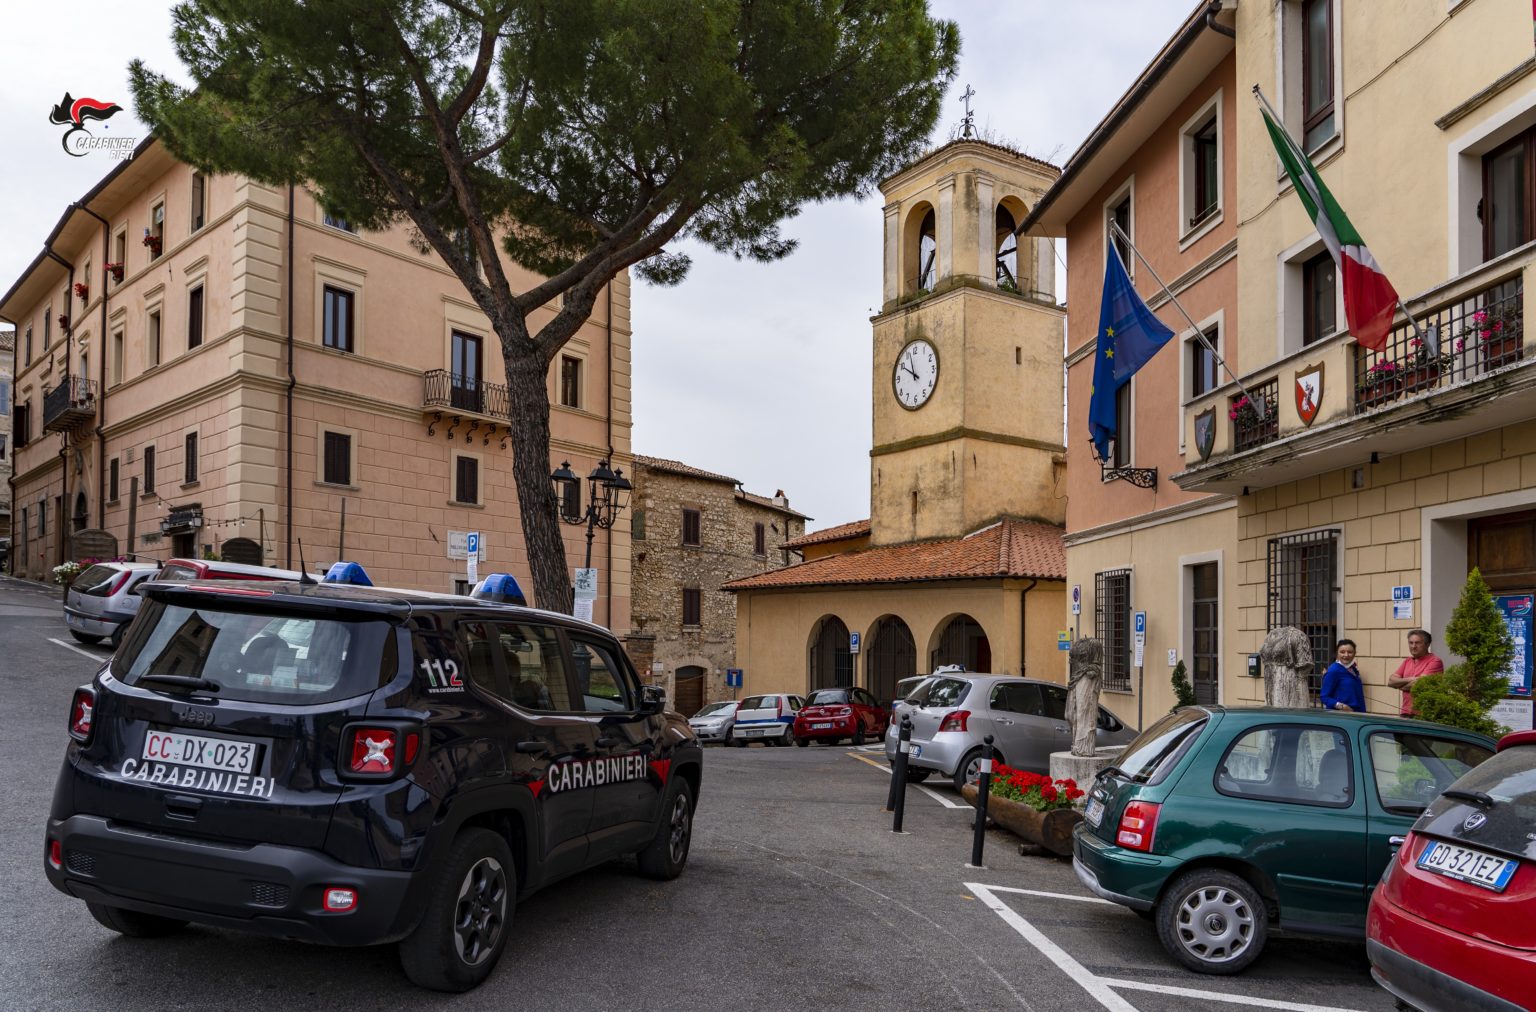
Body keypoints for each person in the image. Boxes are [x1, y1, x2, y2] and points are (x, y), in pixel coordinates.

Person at [1387, 628, 1444, 716]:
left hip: (1424, 714)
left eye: (1417, 643)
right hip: (1405, 712)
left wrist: (1399, 685)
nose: (1413, 646)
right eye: (1411, 643)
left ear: (1427, 644)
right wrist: (1410, 679)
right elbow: (1391, 682)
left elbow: (1419, 684)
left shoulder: (1435, 661)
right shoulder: (1407, 661)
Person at [1320, 639, 1365, 712]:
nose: (1346, 655)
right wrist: (1341, 706)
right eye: (1342, 652)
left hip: (1357, 713)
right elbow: (1324, 697)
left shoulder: (1353, 669)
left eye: (1350, 652)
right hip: (1341, 715)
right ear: (1337, 653)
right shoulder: (1333, 670)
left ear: (1355, 653)